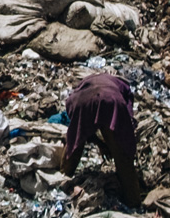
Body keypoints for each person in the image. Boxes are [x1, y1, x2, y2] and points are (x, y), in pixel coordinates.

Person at [60, 71, 146, 204]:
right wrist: (115, 145)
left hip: (81, 101)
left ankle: (61, 183)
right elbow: (124, 124)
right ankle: (134, 201)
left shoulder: (87, 82)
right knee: (123, 158)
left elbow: (88, 126)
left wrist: (100, 142)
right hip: (110, 101)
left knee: (75, 143)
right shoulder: (125, 89)